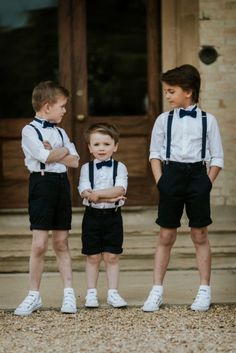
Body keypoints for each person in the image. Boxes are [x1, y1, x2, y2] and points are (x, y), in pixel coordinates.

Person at [142, 64, 224, 312]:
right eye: (166, 91)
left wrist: (206, 184)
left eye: (171, 91)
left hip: (198, 176)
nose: (167, 96)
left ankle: (204, 290)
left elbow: (217, 157)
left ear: (188, 91)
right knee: (166, 235)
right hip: (171, 176)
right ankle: (156, 290)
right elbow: (154, 152)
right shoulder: (163, 120)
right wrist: (161, 181)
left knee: (200, 234)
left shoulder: (209, 120)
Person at [14, 81, 79, 316]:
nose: (64, 110)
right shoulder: (29, 130)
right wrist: (58, 153)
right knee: (39, 244)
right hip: (41, 185)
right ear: (47, 106)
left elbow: (75, 160)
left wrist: (54, 153)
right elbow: (44, 156)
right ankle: (34, 295)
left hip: (62, 185)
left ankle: (69, 294)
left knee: (61, 243)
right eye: (62, 106)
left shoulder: (61, 131)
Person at [78, 123, 128, 308]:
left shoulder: (120, 167)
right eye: (97, 144)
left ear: (115, 146)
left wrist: (97, 195)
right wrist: (110, 195)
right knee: (92, 256)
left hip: (113, 217)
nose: (101, 148)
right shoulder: (85, 168)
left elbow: (120, 188)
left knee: (112, 256)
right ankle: (91, 293)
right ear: (90, 147)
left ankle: (113, 293)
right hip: (91, 217)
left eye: (106, 144)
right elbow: (84, 191)